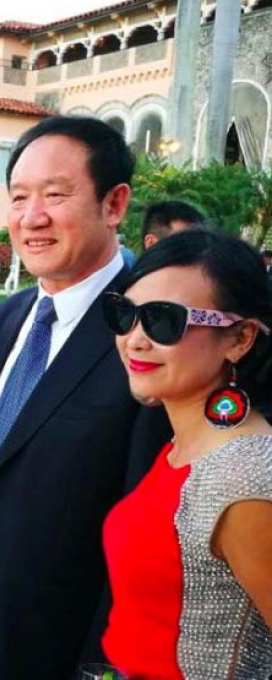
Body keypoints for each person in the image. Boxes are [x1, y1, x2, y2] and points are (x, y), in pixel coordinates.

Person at [0, 116, 171, 680]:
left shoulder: (150, 334)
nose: (31, 218)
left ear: (114, 204)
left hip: (70, 644)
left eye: (55, 196)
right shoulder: (10, 316)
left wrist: (103, 664)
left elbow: (148, 522)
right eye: (18, 197)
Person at [101, 229, 272, 678]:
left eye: (164, 320)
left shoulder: (243, 478)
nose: (135, 339)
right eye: (125, 314)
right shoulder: (184, 444)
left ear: (240, 339)